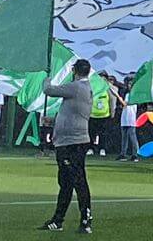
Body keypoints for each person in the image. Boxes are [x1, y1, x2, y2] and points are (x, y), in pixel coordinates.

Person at [39, 59, 94, 235]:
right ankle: (59, 219)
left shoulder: (77, 87)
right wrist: (55, 121)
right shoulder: (83, 89)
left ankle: (84, 220)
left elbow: (49, 90)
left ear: (75, 70)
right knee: (68, 182)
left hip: (72, 143)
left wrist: (46, 77)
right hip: (70, 141)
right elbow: (73, 113)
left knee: (75, 181)